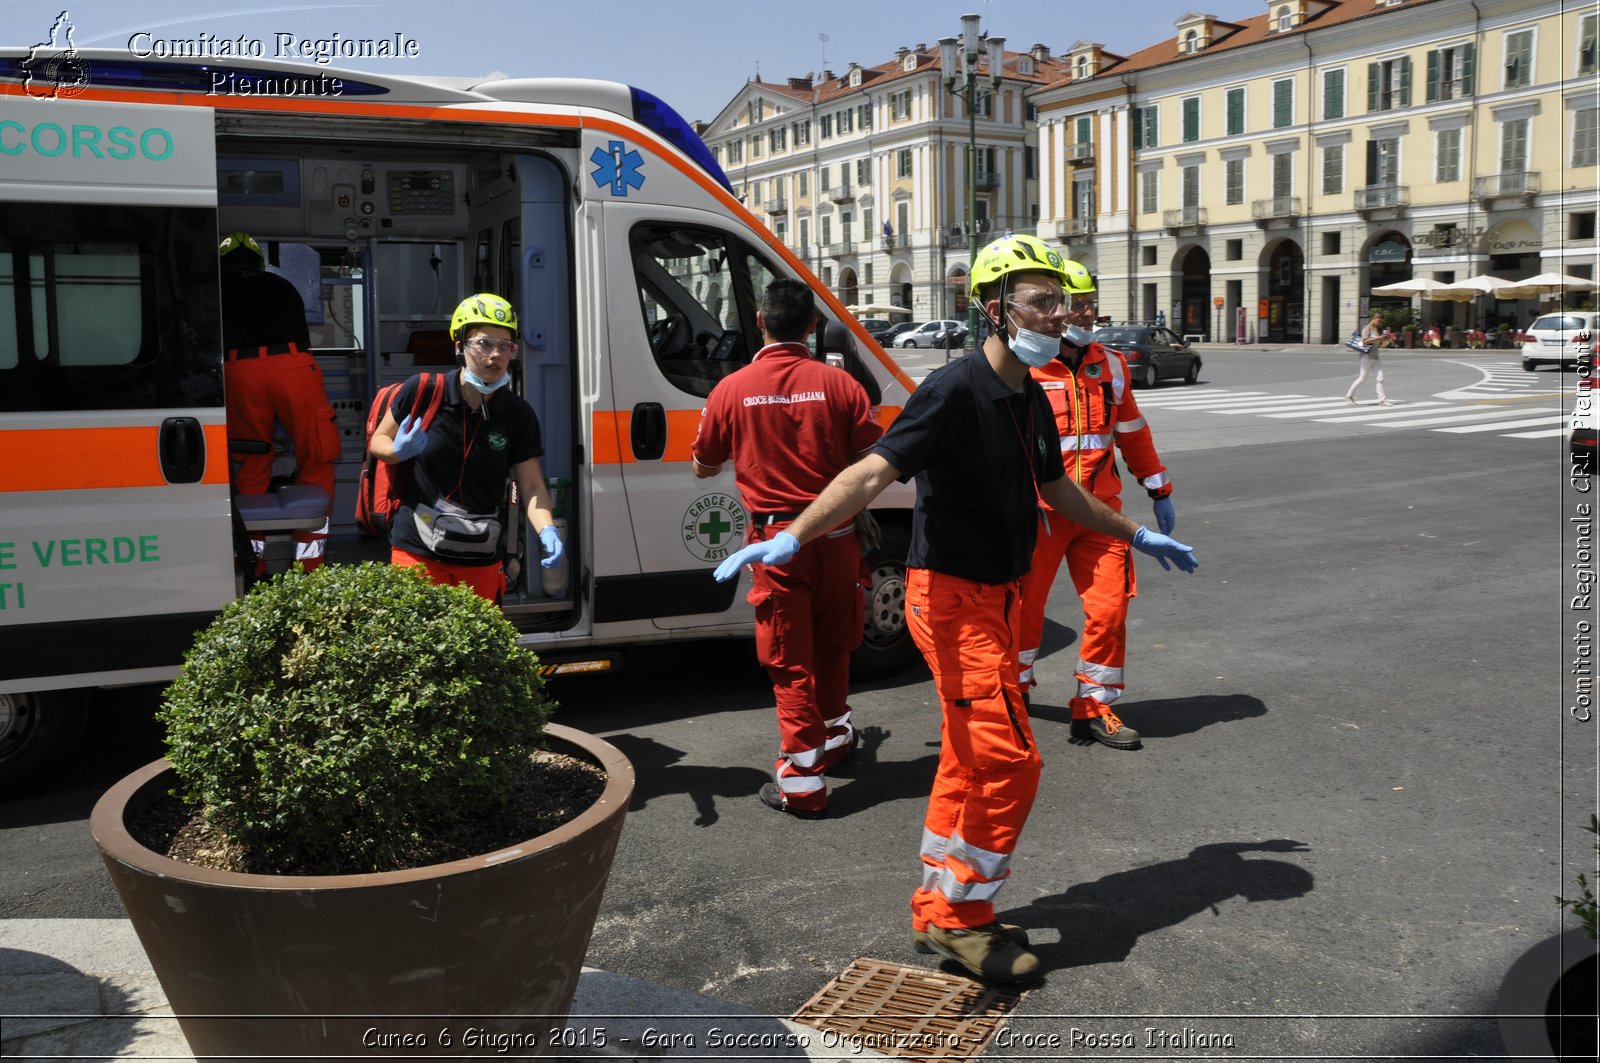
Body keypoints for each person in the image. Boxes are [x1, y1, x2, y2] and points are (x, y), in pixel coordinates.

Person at [711, 234, 1198, 984]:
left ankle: (944, 894)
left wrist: (1136, 532)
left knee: (973, 757)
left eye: (1061, 300)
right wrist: (796, 534)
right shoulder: (953, 388)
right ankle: (958, 917)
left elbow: (1057, 487)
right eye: (1040, 301)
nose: (1059, 314)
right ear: (995, 310)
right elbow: (874, 467)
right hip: (952, 600)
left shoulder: (1029, 394)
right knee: (1010, 761)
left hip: (997, 599)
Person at [691, 278, 883, 817]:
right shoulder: (841, 385)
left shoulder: (730, 389)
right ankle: (836, 737)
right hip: (838, 534)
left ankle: (802, 782)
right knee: (835, 642)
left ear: (760, 322)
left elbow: (704, 464)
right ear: (813, 325)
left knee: (789, 660)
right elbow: (874, 458)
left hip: (774, 543)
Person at [1015, 260, 1174, 751]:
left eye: (1089, 305)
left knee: (1109, 612)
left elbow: (1131, 431)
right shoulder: (1025, 366)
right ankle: (1012, 698)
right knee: (1023, 614)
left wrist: (1159, 488)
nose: (1084, 314)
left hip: (1101, 515)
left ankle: (1094, 706)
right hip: (1038, 514)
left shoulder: (1113, 365)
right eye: (1075, 304)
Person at [368, 293, 563, 603]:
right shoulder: (422, 390)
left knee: (477, 644)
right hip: (417, 547)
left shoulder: (517, 413)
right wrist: (396, 451)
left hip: (480, 553)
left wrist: (547, 530)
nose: (495, 355)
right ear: (459, 346)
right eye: (484, 343)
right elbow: (379, 440)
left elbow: (532, 484)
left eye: (505, 346)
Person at [219, 231, 342, 573]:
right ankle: (310, 565)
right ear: (258, 262)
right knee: (317, 456)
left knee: (252, 458)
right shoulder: (282, 286)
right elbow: (303, 339)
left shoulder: (213, 289)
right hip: (291, 365)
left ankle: (249, 562)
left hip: (237, 370)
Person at [1345, 311, 1394, 406]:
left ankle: (1382, 400)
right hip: (1366, 356)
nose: (1380, 323)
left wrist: (1383, 339)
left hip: (1375, 357)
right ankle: (1349, 396)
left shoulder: (1375, 329)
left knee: (1380, 378)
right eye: (1379, 321)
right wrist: (1378, 338)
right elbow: (1364, 341)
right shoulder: (1366, 328)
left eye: (1381, 322)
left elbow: (1376, 342)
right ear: (1374, 319)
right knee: (1362, 378)